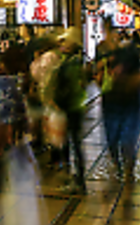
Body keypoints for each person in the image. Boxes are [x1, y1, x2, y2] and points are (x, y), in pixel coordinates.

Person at [101, 35, 140, 182]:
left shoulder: (132, 58)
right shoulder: (107, 58)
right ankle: (120, 167)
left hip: (128, 105)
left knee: (127, 141)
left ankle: (128, 171)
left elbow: (139, 79)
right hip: (112, 104)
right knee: (113, 140)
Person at [49, 27, 87, 194]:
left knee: (71, 144)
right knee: (73, 143)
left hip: (70, 107)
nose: (62, 44)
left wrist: (58, 101)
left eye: (65, 41)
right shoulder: (73, 60)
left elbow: (69, 86)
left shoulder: (72, 62)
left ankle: (76, 180)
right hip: (74, 106)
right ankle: (76, 178)